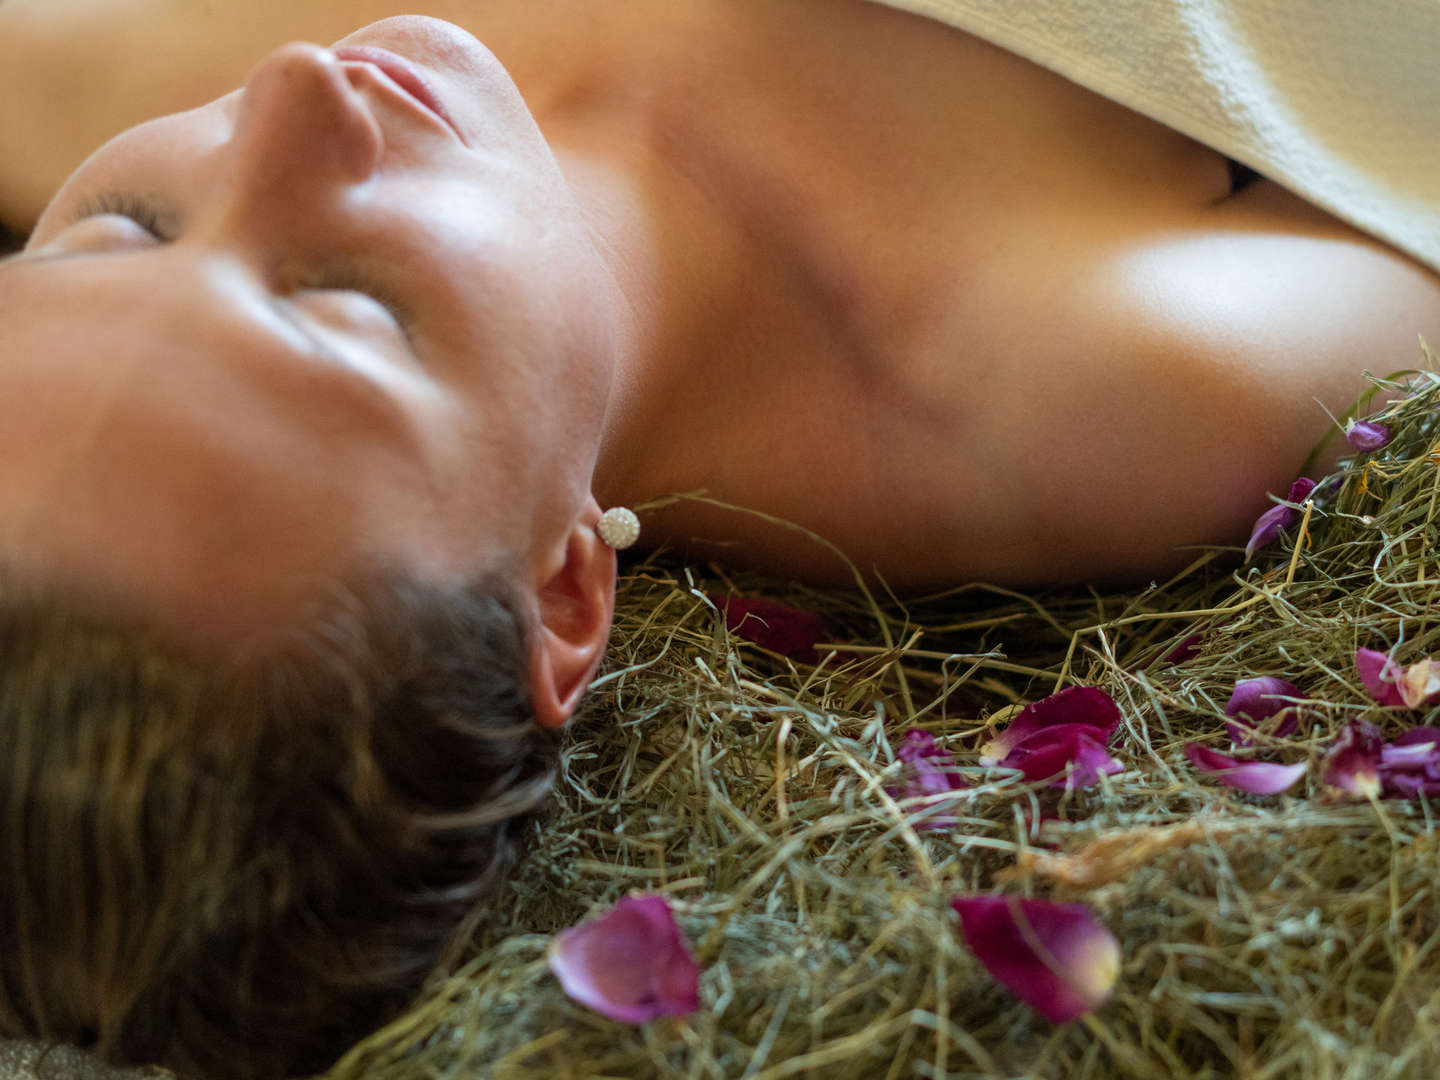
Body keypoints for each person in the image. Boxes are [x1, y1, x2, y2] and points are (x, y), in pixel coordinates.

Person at [0, 1, 1436, 1076]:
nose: (301, 95)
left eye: (123, 229)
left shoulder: (48, 64)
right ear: (563, 594)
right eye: (348, 310)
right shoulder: (1125, 369)